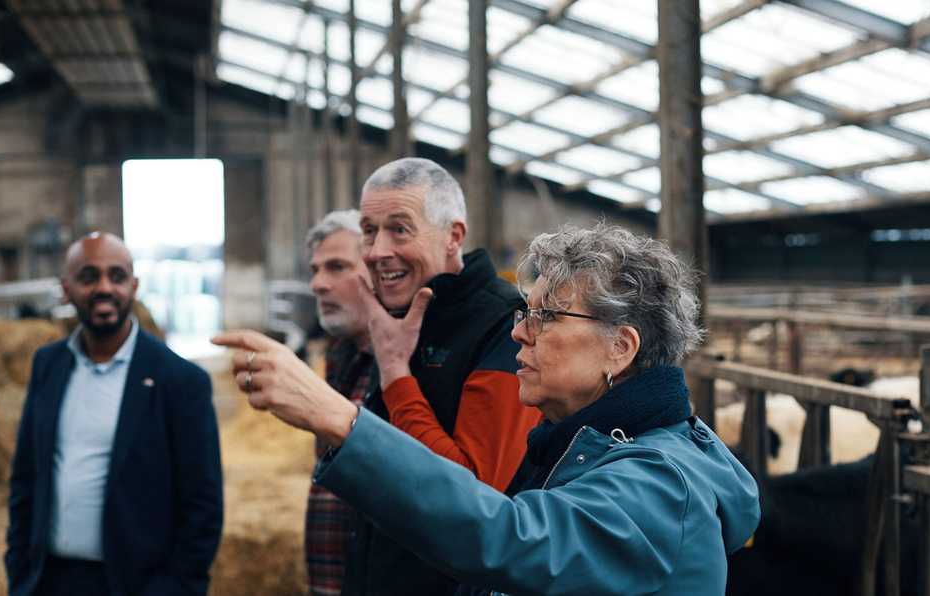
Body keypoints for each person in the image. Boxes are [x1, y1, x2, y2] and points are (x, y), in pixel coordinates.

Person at [214, 223, 761, 596]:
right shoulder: (581, 446)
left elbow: (511, 538)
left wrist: (340, 420)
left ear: (620, 347)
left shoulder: (660, 481)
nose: (519, 332)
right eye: (525, 312)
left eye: (546, 316)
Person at [6, 232, 224, 596]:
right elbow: (26, 478)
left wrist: (172, 588)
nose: (104, 287)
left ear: (134, 286)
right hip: (46, 581)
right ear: (66, 288)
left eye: (117, 276)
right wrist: (19, 571)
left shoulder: (181, 381)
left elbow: (203, 508)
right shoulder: (47, 364)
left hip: (132, 585)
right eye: (89, 277)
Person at [303, 210, 378, 596]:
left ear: (378, 271)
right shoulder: (338, 362)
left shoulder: (402, 373)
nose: (317, 284)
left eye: (336, 267)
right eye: (315, 269)